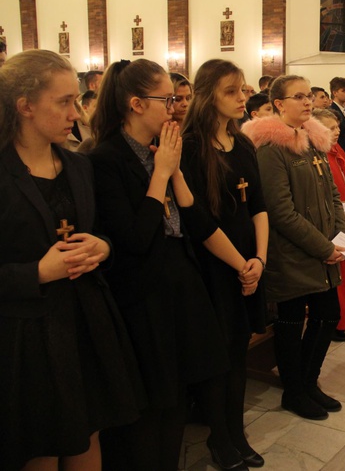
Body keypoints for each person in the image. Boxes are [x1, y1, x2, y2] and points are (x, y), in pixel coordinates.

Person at [0, 49, 143, 471]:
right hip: (25, 333)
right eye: (64, 102)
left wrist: (103, 246)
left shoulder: (78, 166)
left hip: (85, 320)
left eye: (77, 100)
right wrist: (37, 273)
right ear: (24, 106)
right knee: (42, 446)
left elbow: (101, 231)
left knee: (89, 432)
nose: (77, 113)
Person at [88, 58, 231, 470]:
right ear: (136, 103)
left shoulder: (162, 149)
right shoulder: (106, 159)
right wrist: (161, 174)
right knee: (154, 401)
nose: (174, 106)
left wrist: (175, 173)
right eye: (166, 98)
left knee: (180, 397)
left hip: (180, 281)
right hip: (143, 293)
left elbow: (196, 221)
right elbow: (133, 238)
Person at [181, 59, 269, 469]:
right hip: (215, 267)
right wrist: (241, 265)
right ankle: (220, 438)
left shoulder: (244, 143)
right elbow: (199, 220)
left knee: (238, 353)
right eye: (231, 91)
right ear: (208, 95)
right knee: (218, 358)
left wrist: (260, 260)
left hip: (249, 264)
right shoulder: (191, 147)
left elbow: (260, 207)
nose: (242, 97)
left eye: (243, 89)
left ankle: (236, 433)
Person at [244, 75, 345, 421]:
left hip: (321, 251)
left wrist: (340, 238)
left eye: (309, 96)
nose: (308, 102)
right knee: (290, 324)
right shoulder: (271, 149)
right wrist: (323, 247)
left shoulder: (314, 140)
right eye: (299, 97)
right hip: (291, 254)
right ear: (278, 104)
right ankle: (294, 390)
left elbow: (332, 194)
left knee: (327, 315)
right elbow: (281, 211)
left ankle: (308, 382)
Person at [313, 108, 345, 342]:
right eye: (330, 128)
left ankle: (342, 320)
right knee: (333, 275)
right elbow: (319, 198)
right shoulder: (316, 157)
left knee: (343, 274)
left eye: (337, 127)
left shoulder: (336, 153)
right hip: (328, 227)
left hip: (343, 223)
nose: (337, 132)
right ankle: (333, 322)